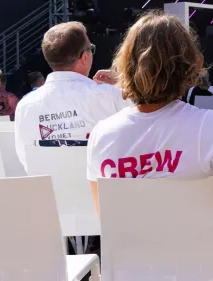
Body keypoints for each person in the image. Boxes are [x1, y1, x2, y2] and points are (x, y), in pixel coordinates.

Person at [86, 12, 213, 281]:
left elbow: (107, 220)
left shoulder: (101, 135)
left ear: (126, 66)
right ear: (187, 65)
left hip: (138, 270)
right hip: (203, 268)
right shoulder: (206, 126)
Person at [14, 21, 131, 171]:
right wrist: (123, 84)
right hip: (105, 190)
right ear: (84, 57)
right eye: (91, 49)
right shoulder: (112, 96)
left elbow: (25, 158)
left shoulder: (25, 106)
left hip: (49, 192)